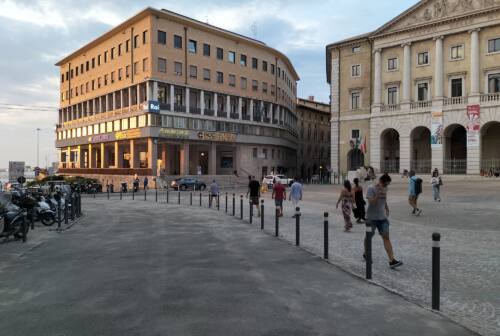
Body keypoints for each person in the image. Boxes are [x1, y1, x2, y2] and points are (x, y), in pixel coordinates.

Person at [364, 173, 403, 269]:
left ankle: (392, 260)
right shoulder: (371, 188)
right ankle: (366, 253)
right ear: (380, 182)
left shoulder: (385, 188)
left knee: (386, 237)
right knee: (369, 237)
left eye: (388, 185)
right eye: (385, 184)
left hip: (382, 218)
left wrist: (387, 208)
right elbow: (372, 203)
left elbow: (384, 200)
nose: (386, 186)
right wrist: (378, 194)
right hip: (371, 219)